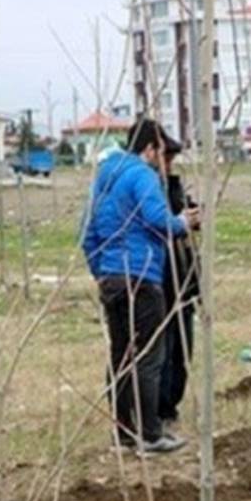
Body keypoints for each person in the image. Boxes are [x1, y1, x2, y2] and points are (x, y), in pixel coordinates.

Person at [81, 118, 200, 454]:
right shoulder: (142, 175)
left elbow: (86, 234)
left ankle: (123, 434)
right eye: (163, 155)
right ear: (150, 149)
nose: (165, 165)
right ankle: (151, 434)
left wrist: (102, 272)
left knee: (120, 356)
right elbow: (159, 221)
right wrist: (184, 222)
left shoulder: (104, 179)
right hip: (142, 276)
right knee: (149, 356)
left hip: (112, 281)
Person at [157, 129, 199, 426]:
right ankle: (160, 409)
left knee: (182, 349)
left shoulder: (174, 186)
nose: (170, 163)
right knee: (164, 348)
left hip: (183, 277)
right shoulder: (147, 187)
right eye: (166, 157)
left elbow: (186, 215)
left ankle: (171, 403)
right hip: (160, 278)